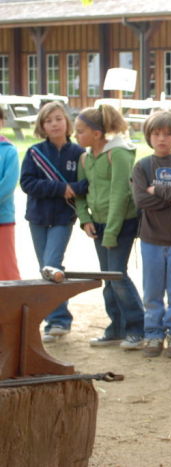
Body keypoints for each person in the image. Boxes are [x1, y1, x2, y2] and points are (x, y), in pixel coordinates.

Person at [74, 104, 145, 350]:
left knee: (117, 275)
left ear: (96, 133)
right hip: (99, 224)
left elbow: (120, 195)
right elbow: (80, 193)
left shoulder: (119, 154)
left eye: (80, 131)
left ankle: (137, 328)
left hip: (121, 223)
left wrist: (112, 232)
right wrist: (85, 219)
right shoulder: (85, 158)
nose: (76, 136)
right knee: (108, 277)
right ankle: (116, 328)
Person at [19, 102, 87, 342]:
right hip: (37, 217)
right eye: (49, 121)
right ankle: (55, 318)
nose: (54, 124)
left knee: (52, 265)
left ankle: (58, 321)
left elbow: (86, 184)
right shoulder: (34, 153)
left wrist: (72, 189)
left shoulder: (79, 154)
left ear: (67, 122)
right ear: (42, 126)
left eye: (58, 118)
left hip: (63, 218)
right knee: (44, 267)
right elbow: (27, 183)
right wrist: (61, 188)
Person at [131, 111, 171, 358]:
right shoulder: (142, 166)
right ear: (149, 136)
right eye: (156, 134)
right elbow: (141, 200)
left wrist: (157, 190)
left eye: (167, 134)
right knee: (153, 291)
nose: (162, 139)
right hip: (151, 239)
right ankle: (153, 334)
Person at [0, 107, 20, 282]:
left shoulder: (9, 151)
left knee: (6, 268)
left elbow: (7, 186)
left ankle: (12, 307)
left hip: (2, 219)